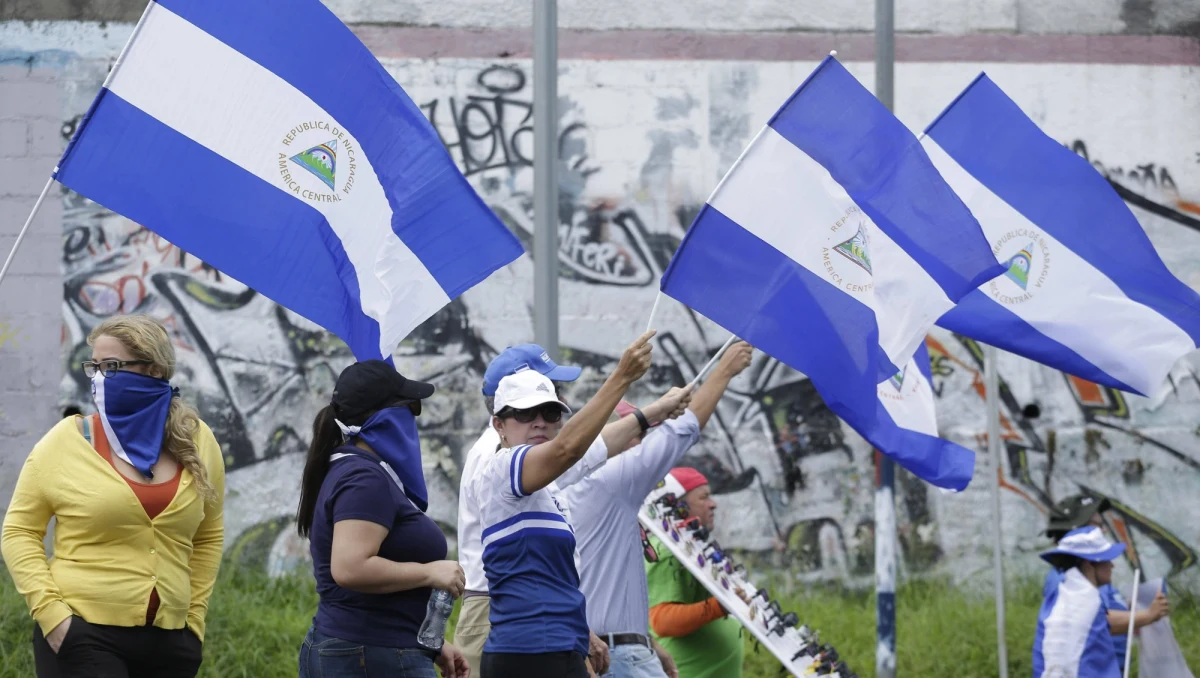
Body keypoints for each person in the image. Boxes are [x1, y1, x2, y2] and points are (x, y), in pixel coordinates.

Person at [2, 315, 225, 678]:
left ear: (153, 370)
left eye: (112, 367)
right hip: (83, 634)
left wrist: (194, 623)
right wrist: (54, 618)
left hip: (169, 643)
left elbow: (209, 535)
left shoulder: (199, 443)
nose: (99, 379)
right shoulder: (67, 441)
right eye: (95, 368)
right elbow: (19, 531)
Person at [455, 343, 685, 675]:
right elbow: (569, 449)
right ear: (499, 424)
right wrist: (622, 377)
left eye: (550, 412)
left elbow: (592, 448)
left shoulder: (546, 479)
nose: (539, 422)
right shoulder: (499, 461)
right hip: (513, 634)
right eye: (524, 412)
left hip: (556, 640)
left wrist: (652, 413)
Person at [568, 342, 754, 678]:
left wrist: (650, 644)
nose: (643, 446)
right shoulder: (611, 482)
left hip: (602, 648)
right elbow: (683, 429)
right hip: (619, 657)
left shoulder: (561, 483)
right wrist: (724, 370)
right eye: (638, 434)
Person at [296, 360, 469, 678]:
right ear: (384, 417)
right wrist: (429, 572)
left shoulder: (358, 469)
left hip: (371, 650)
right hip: (368, 654)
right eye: (410, 407)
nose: (414, 417)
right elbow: (350, 568)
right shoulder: (364, 478)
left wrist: (430, 644)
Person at [1044, 494, 1170, 669]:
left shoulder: (1086, 581)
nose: (1103, 531)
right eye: (1097, 525)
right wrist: (1147, 615)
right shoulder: (1069, 581)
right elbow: (1099, 620)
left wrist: (1128, 609)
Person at [645, 468, 743, 678]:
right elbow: (661, 620)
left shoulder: (684, 549)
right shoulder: (667, 551)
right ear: (678, 506)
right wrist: (721, 605)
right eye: (704, 497)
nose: (713, 503)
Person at [1034, 526, 1131, 678]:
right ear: (1089, 563)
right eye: (1106, 560)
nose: (1112, 565)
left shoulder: (1064, 595)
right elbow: (1064, 666)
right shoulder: (1085, 600)